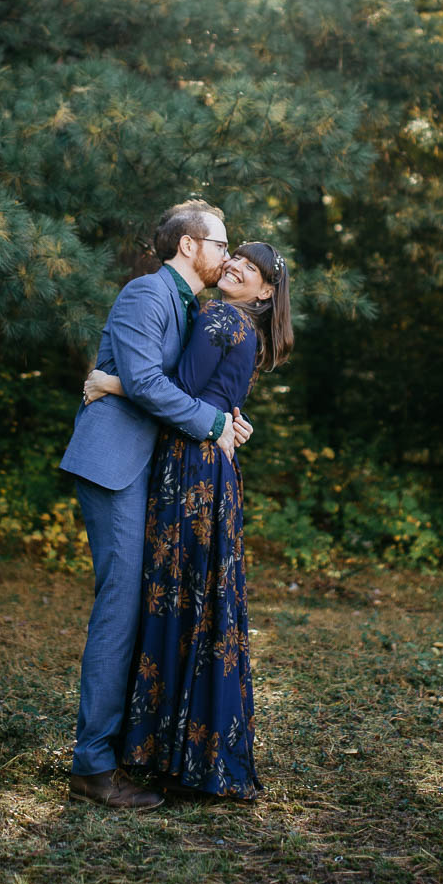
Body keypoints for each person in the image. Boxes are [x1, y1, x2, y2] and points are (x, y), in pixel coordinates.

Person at [79, 240, 293, 802]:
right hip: (206, 465)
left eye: (252, 266)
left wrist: (111, 382)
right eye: (235, 253)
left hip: (191, 469)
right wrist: (224, 418)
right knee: (199, 603)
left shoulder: (222, 316)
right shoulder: (230, 319)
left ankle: (170, 752)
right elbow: (205, 397)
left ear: (266, 291)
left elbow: (171, 389)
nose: (237, 264)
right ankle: (189, 753)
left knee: (181, 601)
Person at [58, 200, 253, 811]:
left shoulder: (195, 307)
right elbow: (145, 383)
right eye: (222, 244)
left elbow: (166, 382)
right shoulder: (146, 293)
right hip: (118, 466)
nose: (228, 255)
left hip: (157, 472)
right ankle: (92, 766)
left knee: (149, 606)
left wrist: (227, 414)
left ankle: (133, 750)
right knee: (121, 607)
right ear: (190, 245)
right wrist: (213, 420)